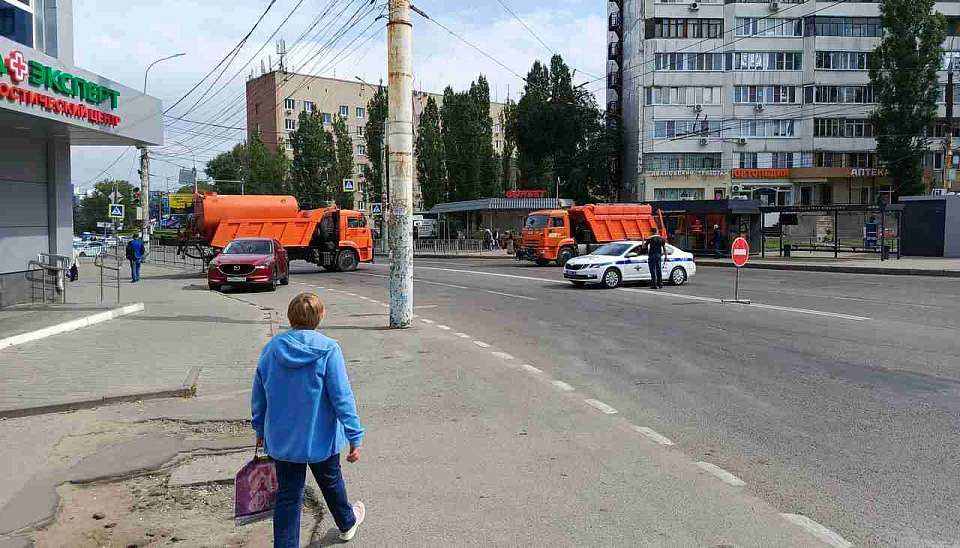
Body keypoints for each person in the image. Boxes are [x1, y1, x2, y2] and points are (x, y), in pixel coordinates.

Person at [252, 293, 366, 546]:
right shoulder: (328, 349)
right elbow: (341, 397)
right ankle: (347, 523)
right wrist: (354, 436)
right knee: (331, 482)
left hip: (282, 441)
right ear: (320, 317)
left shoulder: (272, 349)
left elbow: (259, 393)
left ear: (290, 317)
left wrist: (259, 428)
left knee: (288, 496)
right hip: (320, 439)